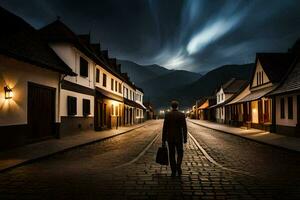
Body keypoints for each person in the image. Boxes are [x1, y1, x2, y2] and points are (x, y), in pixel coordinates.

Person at [162, 100, 187, 177]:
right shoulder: (182, 115)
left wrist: (163, 139)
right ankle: (178, 165)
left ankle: (173, 170)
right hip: (179, 138)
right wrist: (185, 138)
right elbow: (184, 128)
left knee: (171, 154)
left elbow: (164, 128)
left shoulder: (167, 115)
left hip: (170, 138)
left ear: (171, 106)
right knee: (180, 153)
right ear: (177, 106)